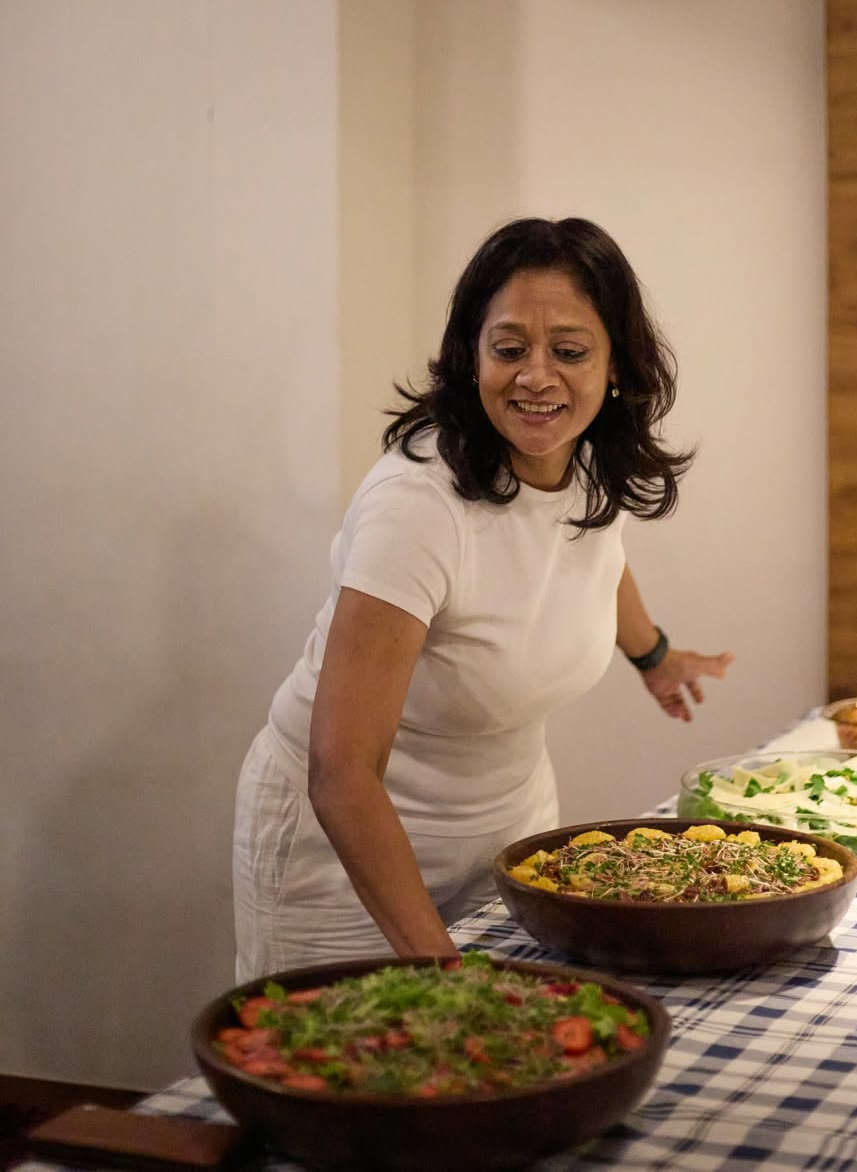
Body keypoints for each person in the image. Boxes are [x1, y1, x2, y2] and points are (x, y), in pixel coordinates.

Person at [232, 216, 733, 980]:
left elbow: (593, 558)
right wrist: (446, 974)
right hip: (343, 850)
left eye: (568, 352)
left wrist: (655, 656)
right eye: (509, 350)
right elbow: (341, 770)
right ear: (472, 357)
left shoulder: (586, 460)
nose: (537, 376)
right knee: (367, 1070)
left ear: (616, 368)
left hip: (508, 822)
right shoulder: (419, 504)